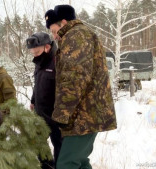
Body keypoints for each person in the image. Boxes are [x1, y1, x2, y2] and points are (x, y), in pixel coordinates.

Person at [44, 5, 117, 169]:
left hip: (85, 115)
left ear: (64, 22)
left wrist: (62, 114)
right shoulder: (79, 35)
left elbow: (74, 78)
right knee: (80, 162)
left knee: (66, 163)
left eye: (55, 31)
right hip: (85, 112)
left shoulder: (76, 36)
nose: (54, 36)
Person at [26, 32, 62, 169]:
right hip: (40, 113)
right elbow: (38, 83)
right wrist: (33, 100)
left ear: (47, 47)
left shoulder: (57, 62)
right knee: (38, 143)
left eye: (37, 51)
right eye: (32, 52)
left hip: (55, 115)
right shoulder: (39, 62)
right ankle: (47, 166)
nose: (34, 54)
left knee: (59, 145)